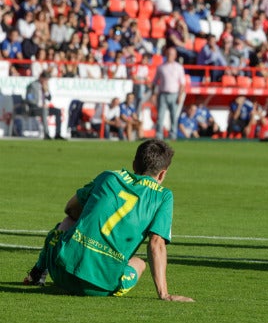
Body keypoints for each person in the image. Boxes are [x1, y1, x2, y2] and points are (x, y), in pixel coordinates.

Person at [23, 139, 194, 302]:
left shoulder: (109, 177)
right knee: (139, 264)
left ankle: (38, 272)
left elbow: (70, 208)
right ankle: (111, 277)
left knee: (67, 222)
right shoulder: (163, 196)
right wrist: (164, 294)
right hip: (101, 286)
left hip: (61, 272)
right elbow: (156, 243)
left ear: (134, 164)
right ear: (162, 174)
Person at [152, 47, 186, 140]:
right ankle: (159, 135)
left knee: (173, 116)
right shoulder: (161, 67)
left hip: (174, 94)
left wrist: (180, 95)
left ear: (175, 56)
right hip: (162, 94)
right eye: (168, 54)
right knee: (160, 116)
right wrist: (154, 94)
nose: (169, 56)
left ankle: (173, 135)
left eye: (171, 54)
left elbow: (182, 83)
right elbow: (155, 82)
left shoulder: (178, 67)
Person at [25, 71, 65, 140]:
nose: (46, 81)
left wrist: (46, 91)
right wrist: (39, 105)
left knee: (57, 111)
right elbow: (29, 98)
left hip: (44, 108)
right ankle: (46, 134)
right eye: (45, 79)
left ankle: (58, 134)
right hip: (34, 108)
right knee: (44, 110)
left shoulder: (45, 86)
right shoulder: (32, 85)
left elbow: (49, 98)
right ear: (41, 77)